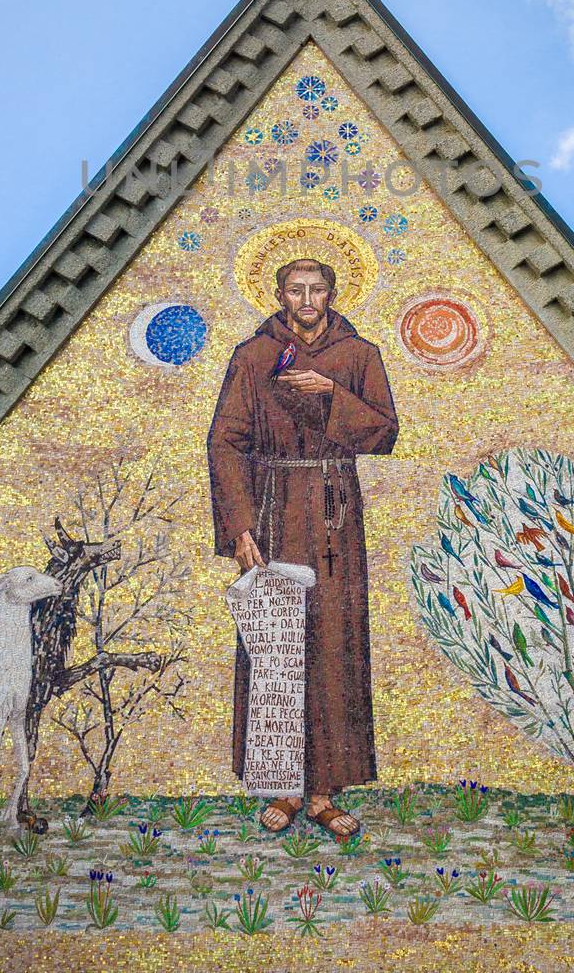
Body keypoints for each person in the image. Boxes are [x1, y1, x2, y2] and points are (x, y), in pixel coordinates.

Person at [207, 258, 398, 838]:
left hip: (335, 514)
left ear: (333, 293)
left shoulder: (358, 354)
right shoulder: (254, 355)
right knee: (277, 646)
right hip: (273, 510)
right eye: (296, 290)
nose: (307, 299)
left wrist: (330, 395)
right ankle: (284, 787)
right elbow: (225, 441)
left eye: (317, 290)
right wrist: (239, 527)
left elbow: (385, 432)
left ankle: (323, 794)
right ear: (281, 294)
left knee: (334, 643)